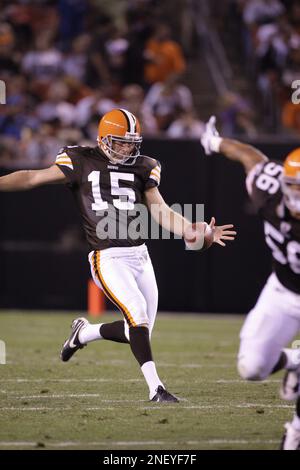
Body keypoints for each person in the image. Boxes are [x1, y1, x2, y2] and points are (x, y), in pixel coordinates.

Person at [0, 108, 236, 403]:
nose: (128, 147)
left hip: (139, 255)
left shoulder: (145, 166)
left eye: (132, 142)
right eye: (121, 141)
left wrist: (190, 230)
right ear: (103, 139)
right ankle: (156, 388)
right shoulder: (79, 159)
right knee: (137, 315)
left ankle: (83, 333)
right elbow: (32, 177)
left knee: (137, 330)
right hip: (107, 255)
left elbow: (160, 210)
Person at [201, 116, 300, 449]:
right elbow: (249, 156)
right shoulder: (269, 188)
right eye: (294, 187)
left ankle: (296, 430)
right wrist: (214, 142)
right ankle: (295, 362)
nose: (297, 196)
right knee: (253, 368)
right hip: (283, 290)